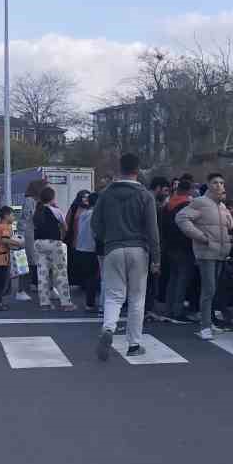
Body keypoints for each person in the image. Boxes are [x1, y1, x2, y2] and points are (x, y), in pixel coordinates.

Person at [90, 152, 162, 360]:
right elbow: (152, 230)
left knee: (113, 295)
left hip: (112, 249)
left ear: (119, 169)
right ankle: (134, 344)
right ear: (137, 171)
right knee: (137, 299)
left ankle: (109, 328)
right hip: (139, 250)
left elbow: (95, 224)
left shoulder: (106, 194)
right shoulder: (145, 195)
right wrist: (156, 258)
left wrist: (107, 238)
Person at [176, 171, 233, 340]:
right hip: (206, 252)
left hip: (221, 252)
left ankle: (209, 322)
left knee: (214, 289)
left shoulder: (222, 205)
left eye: (221, 183)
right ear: (208, 184)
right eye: (215, 182)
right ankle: (205, 326)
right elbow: (181, 218)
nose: (219, 185)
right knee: (208, 289)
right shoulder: (201, 202)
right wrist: (200, 237)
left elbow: (227, 225)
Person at [31, 185, 77, 310]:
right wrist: (61, 237)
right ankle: (66, 303)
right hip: (54, 243)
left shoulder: (37, 211)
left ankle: (44, 303)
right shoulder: (55, 211)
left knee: (42, 273)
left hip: (38, 243)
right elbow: (65, 227)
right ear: (52, 198)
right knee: (60, 273)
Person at [160, 174, 197, 323]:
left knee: (173, 278)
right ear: (189, 191)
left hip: (169, 246)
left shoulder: (168, 204)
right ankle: (178, 310)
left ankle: (169, 308)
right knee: (182, 278)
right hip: (184, 246)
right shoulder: (187, 205)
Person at [65, 190, 100, 311]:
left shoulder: (83, 214)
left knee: (90, 276)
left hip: (81, 248)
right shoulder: (95, 214)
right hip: (91, 249)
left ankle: (89, 302)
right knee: (93, 277)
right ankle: (91, 304)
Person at [0, 205, 21, 311]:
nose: (14, 217)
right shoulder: (6, 227)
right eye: (12, 215)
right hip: (1, 258)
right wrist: (18, 243)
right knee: (0, 282)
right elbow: (5, 240)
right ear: (6, 216)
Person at [147, 176, 172, 320]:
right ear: (158, 188)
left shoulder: (147, 199)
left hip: (144, 246)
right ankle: (149, 309)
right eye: (165, 190)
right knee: (152, 279)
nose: (167, 193)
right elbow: (156, 230)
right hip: (152, 246)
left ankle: (147, 309)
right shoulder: (153, 204)